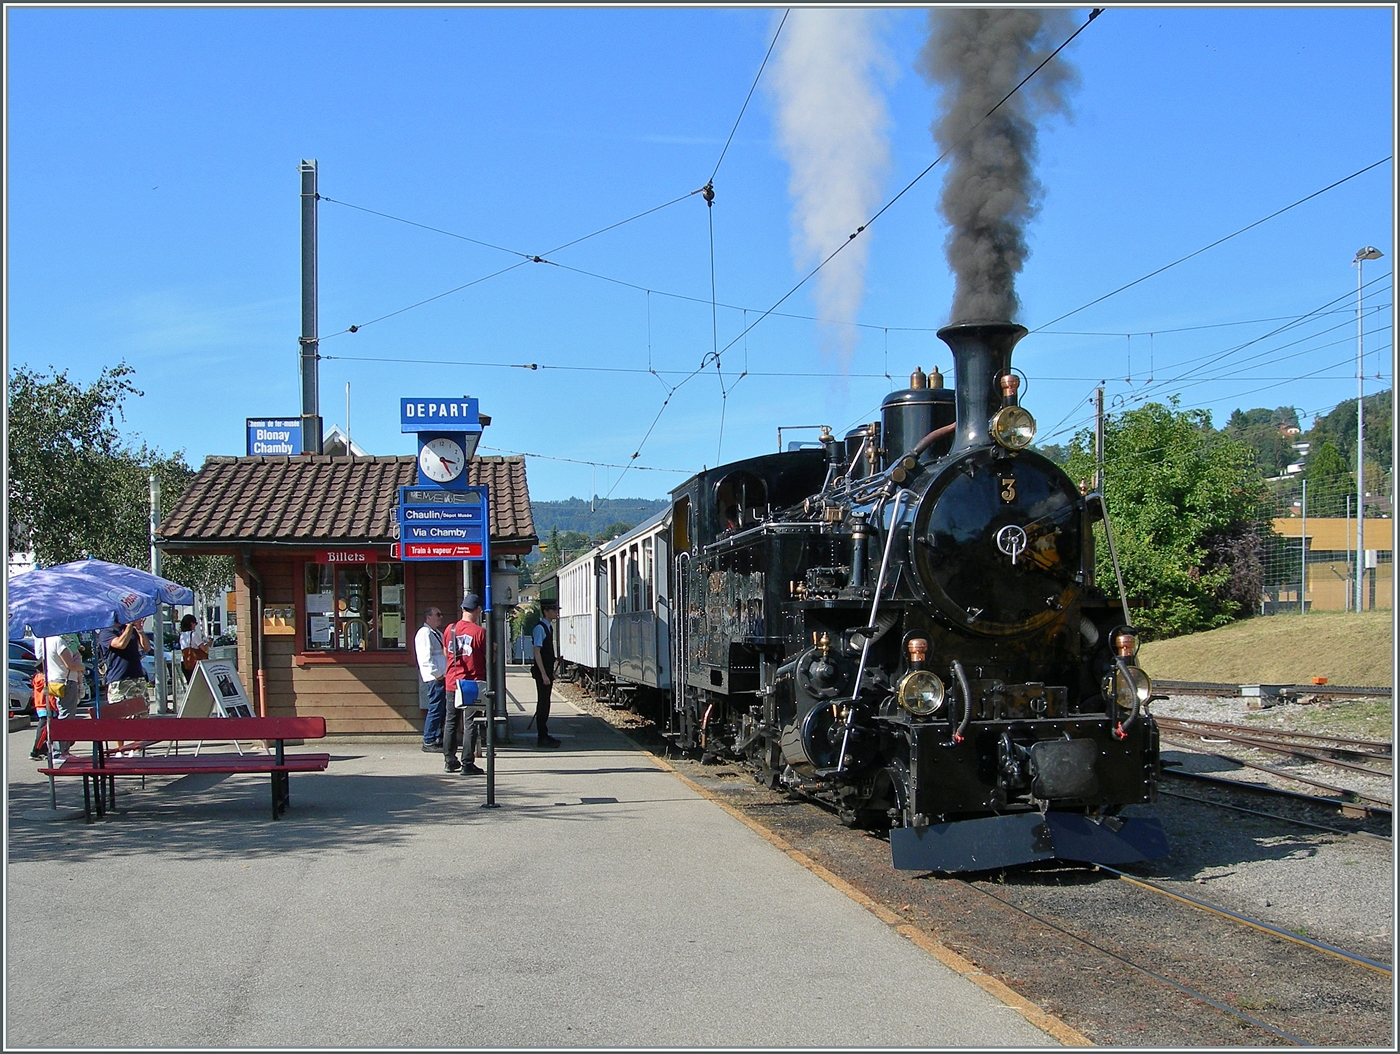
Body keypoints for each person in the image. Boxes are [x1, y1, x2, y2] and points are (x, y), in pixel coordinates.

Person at [442, 593, 486, 775]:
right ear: (477, 611)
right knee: (470, 723)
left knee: (451, 721)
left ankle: (449, 760)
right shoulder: (479, 632)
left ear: (462, 609)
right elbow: (488, 657)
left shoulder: (449, 629)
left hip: (452, 681)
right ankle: (467, 763)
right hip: (472, 683)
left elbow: (446, 652)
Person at [30, 633, 84, 761]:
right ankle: (59, 751)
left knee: (62, 714)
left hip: (54, 681)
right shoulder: (58, 641)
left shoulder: (45, 642)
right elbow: (70, 665)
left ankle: (61, 749)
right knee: (66, 716)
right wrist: (82, 667)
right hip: (66, 681)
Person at [97, 618, 150, 707]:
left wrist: (140, 630)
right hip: (119, 680)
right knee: (123, 716)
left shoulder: (129, 629)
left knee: (142, 714)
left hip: (137, 678)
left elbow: (147, 648)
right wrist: (129, 625)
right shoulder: (106, 632)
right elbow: (120, 644)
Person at [415, 606, 447, 751]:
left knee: (441, 709)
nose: (440, 617)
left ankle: (437, 737)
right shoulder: (424, 633)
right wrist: (437, 674)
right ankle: (428, 739)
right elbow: (425, 658)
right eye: (437, 614)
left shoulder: (436, 633)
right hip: (435, 678)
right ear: (428, 617)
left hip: (441, 676)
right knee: (435, 708)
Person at [531, 598, 560, 748]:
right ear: (546, 611)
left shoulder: (547, 627)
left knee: (546, 702)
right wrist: (543, 674)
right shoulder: (540, 628)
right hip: (542, 673)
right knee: (543, 703)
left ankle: (544, 733)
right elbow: (537, 652)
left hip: (546, 672)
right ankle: (542, 736)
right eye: (554, 610)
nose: (556, 613)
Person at [178, 614, 209, 683]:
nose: (195, 625)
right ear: (191, 623)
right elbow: (203, 648)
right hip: (194, 662)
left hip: (184, 662)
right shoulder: (194, 634)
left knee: (190, 683)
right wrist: (208, 644)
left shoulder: (182, 635)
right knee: (198, 683)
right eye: (195, 623)